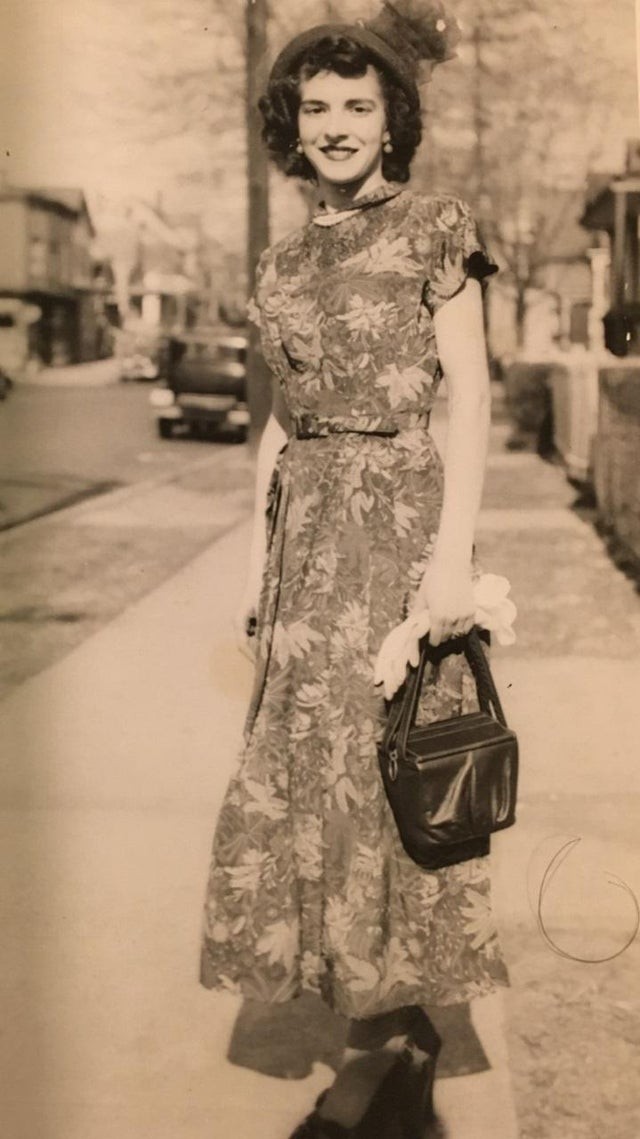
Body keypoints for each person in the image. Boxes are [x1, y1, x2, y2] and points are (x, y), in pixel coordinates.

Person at [201, 3, 519, 1136]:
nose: (336, 126)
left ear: (392, 122)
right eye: (317, 108)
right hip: (303, 554)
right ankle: (373, 1012)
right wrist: (254, 575)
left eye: (358, 107)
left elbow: (471, 400)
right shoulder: (281, 259)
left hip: (395, 531)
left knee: (386, 781)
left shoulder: (435, 227)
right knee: (310, 783)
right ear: (293, 124)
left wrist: (452, 563)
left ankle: (378, 1040)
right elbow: (282, 431)